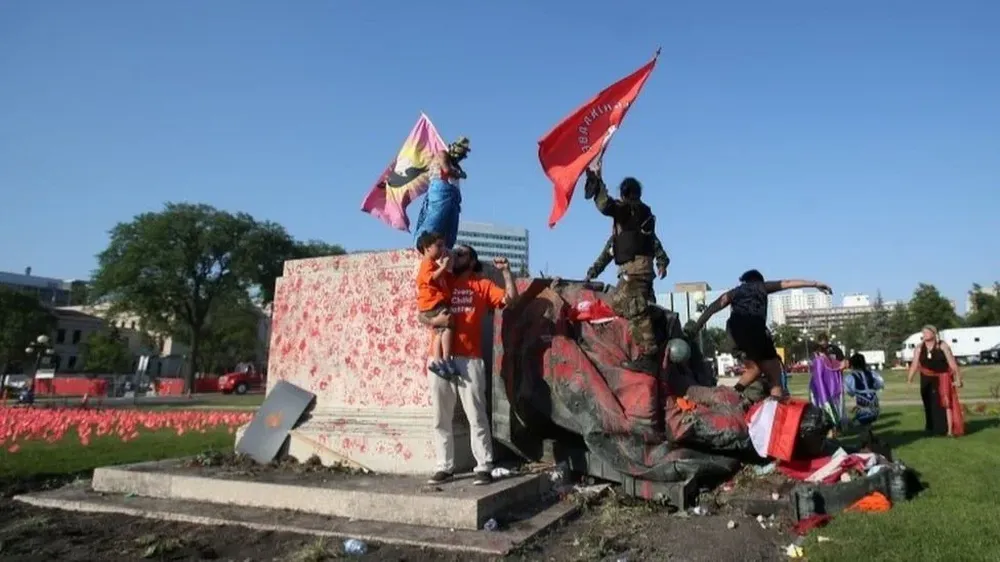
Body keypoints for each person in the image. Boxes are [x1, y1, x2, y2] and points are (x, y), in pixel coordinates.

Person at [427, 244, 518, 486]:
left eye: (461, 253)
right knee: (440, 415)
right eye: (453, 252)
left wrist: (507, 273)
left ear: (472, 260)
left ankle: (484, 465)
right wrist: (435, 319)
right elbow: (421, 311)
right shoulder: (442, 281)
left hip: (470, 359)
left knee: (476, 414)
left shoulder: (483, 285)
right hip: (439, 358)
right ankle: (444, 466)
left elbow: (511, 300)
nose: (454, 256)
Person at [690, 270, 832, 400]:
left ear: (745, 281)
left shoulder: (734, 292)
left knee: (755, 369)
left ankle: (732, 395)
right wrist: (816, 283)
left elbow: (713, 308)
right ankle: (776, 407)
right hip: (756, 334)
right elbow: (788, 283)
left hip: (735, 335)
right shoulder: (762, 287)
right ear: (759, 280)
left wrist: (695, 328)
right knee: (774, 373)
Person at [582, 162, 667, 375]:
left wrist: (597, 183)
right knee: (638, 305)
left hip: (635, 271)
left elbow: (605, 206)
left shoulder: (632, 209)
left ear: (625, 194)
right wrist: (594, 270)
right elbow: (612, 249)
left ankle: (649, 355)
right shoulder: (636, 221)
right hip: (639, 270)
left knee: (624, 303)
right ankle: (652, 323)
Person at [412, 137, 471, 249]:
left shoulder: (455, 164)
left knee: (450, 229)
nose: (460, 157)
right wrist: (458, 173)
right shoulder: (442, 154)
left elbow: (462, 174)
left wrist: (458, 172)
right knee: (435, 221)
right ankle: (423, 246)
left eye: (462, 155)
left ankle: (444, 250)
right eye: (459, 152)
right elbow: (447, 170)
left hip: (454, 195)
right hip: (441, 190)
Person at [907, 325, 965, 437]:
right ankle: (930, 427)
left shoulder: (942, 346)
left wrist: (958, 379)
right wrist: (910, 379)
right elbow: (914, 364)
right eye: (923, 332)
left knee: (942, 403)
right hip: (926, 377)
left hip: (941, 377)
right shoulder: (919, 348)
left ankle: (944, 429)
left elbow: (952, 364)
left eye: (927, 332)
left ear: (934, 334)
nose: (924, 335)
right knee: (927, 402)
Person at [583, 233, 670, 305]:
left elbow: (660, 253)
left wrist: (662, 266)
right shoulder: (617, 237)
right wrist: (591, 273)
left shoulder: (646, 233)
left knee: (647, 309)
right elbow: (604, 258)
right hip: (627, 278)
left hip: (643, 279)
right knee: (619, 306)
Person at [415, 231, 456, 378]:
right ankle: (446, 358)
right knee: (448, 326)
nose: (442, 249)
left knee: (439, 332)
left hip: (431, 304)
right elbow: (431, 278)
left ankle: (437, 361)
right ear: (427, 248)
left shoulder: (431, 264)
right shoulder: (427, 264)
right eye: (438, 246)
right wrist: (443, 266)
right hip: (433, 304)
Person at [809, 332, 847, 434]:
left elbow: (842, 363)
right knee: (828, 407)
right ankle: (831, 427)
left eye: (824, 343)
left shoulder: (832, 352)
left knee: (832, 407)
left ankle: (834, 427)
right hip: (826, 387)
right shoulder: (818, 358)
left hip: (829, 387)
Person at [844, 352, 884, 428]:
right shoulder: (871, 373)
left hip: (863, 405)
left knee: (856, 425)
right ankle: (871, 438)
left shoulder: (852, 376)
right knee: (867, 426)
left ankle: (870, 438)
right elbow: (880, 383)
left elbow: (850, 390)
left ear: (852, 364)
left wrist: (853, 394)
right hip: (875, 405)